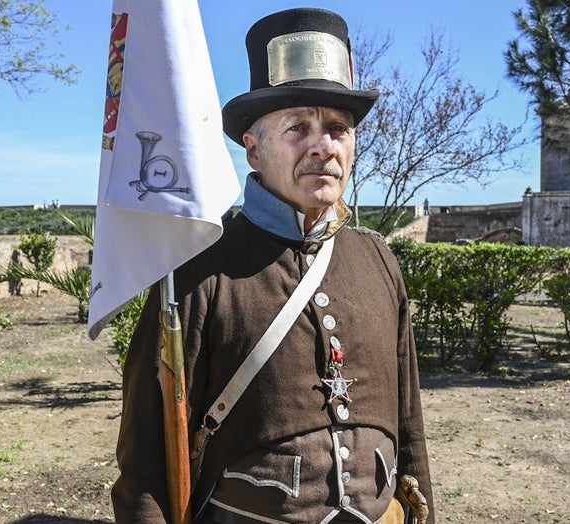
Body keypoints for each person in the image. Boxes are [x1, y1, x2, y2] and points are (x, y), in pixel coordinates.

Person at [111, 7, 434, 524]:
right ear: (253, 150)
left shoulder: (379, 261)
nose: (322, 146)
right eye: (298, 127)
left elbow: (411, 437)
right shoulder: (198, 271)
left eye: (337, 127)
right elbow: (145, 470)